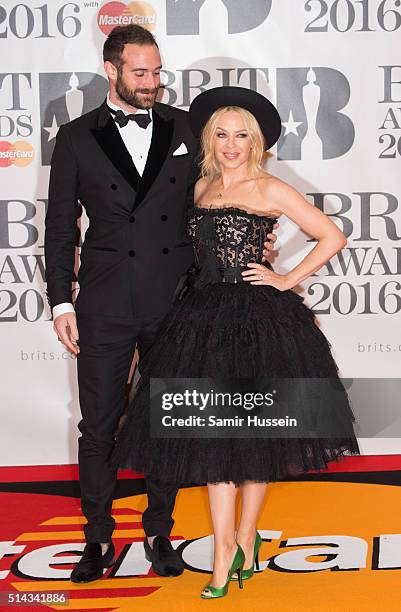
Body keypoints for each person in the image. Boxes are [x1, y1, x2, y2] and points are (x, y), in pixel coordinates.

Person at [44, 27, 277, 583]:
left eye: (157, 72)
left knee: (168, 422)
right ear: (112, 70)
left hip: (178, 302)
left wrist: (258, 239)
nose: (152, 83)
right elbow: (59, 229)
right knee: (98, 427)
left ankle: (159, 531)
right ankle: (97, 539)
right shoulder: (75, 138)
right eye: (140, 73)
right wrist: (60, 303)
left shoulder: (185, 128)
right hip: (101, 302)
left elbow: (228, 189)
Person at [111, 86, 360, 599]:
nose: (231, 144)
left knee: (255, 436)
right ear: (209, 139)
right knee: (211, 437)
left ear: (255, 141)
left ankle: (246, 536)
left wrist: (287, 278)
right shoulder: (198, 187)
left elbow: (331, 236)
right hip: (200, 318)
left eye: (241, 135)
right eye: (222, 134)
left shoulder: (270, 188)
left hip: (258, 321)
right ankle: (224, 548)